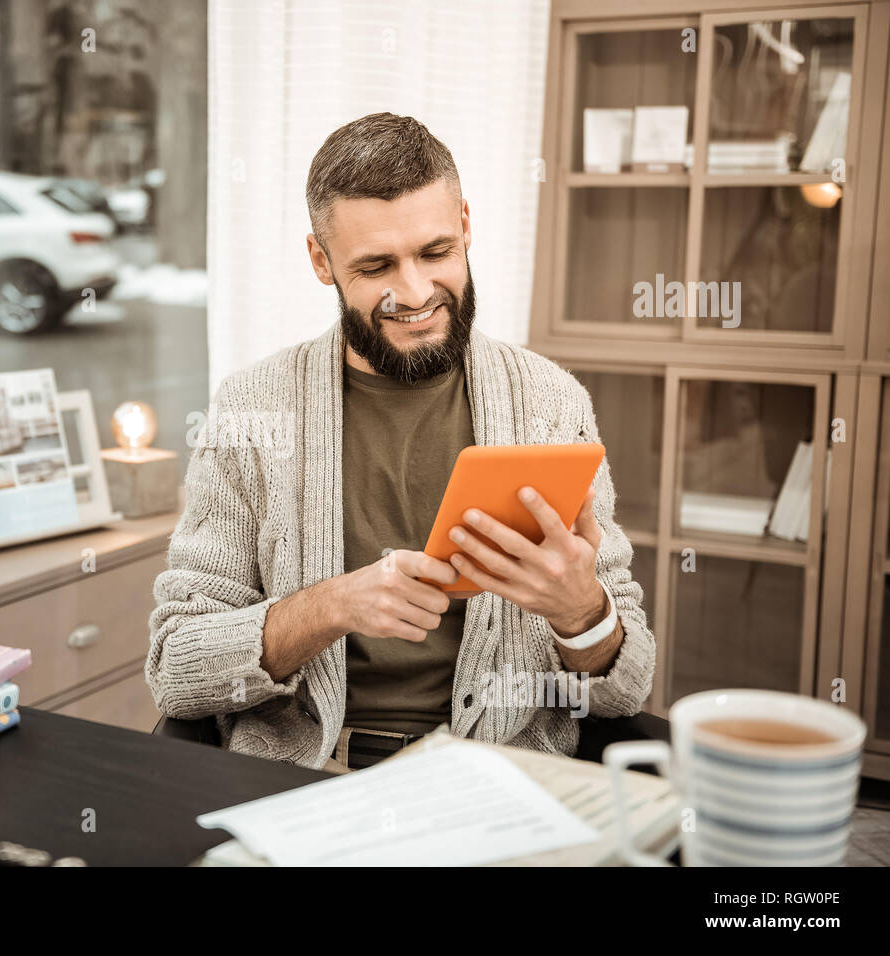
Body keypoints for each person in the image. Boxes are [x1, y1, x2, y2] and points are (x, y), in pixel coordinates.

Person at [146, 113, 655, 771]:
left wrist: (581, 612)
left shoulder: (552, 404)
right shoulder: (252, 411)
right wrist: (333, 606)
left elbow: (627, 688)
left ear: (466, 226)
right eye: (377, 265)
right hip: (314, 774)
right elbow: (176, 670)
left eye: (436, 252)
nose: (414, 293)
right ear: (321, 261)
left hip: (503, 780)